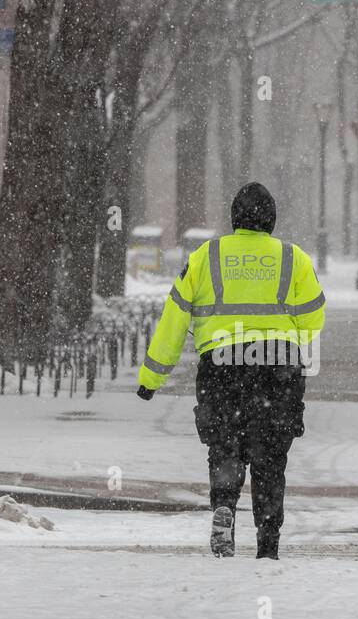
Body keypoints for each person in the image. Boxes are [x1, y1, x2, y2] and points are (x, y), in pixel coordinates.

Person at [135, 183, 326, 559]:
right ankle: (268, 539)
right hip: (277, 366)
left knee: (225, 443)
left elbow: (174, 319)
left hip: (221, 364)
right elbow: (313, 317)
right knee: (271, 455)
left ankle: (224, 504)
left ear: (234, 218)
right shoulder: (294, 258)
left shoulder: (206, 257)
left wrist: (150, 378)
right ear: (271, 219)